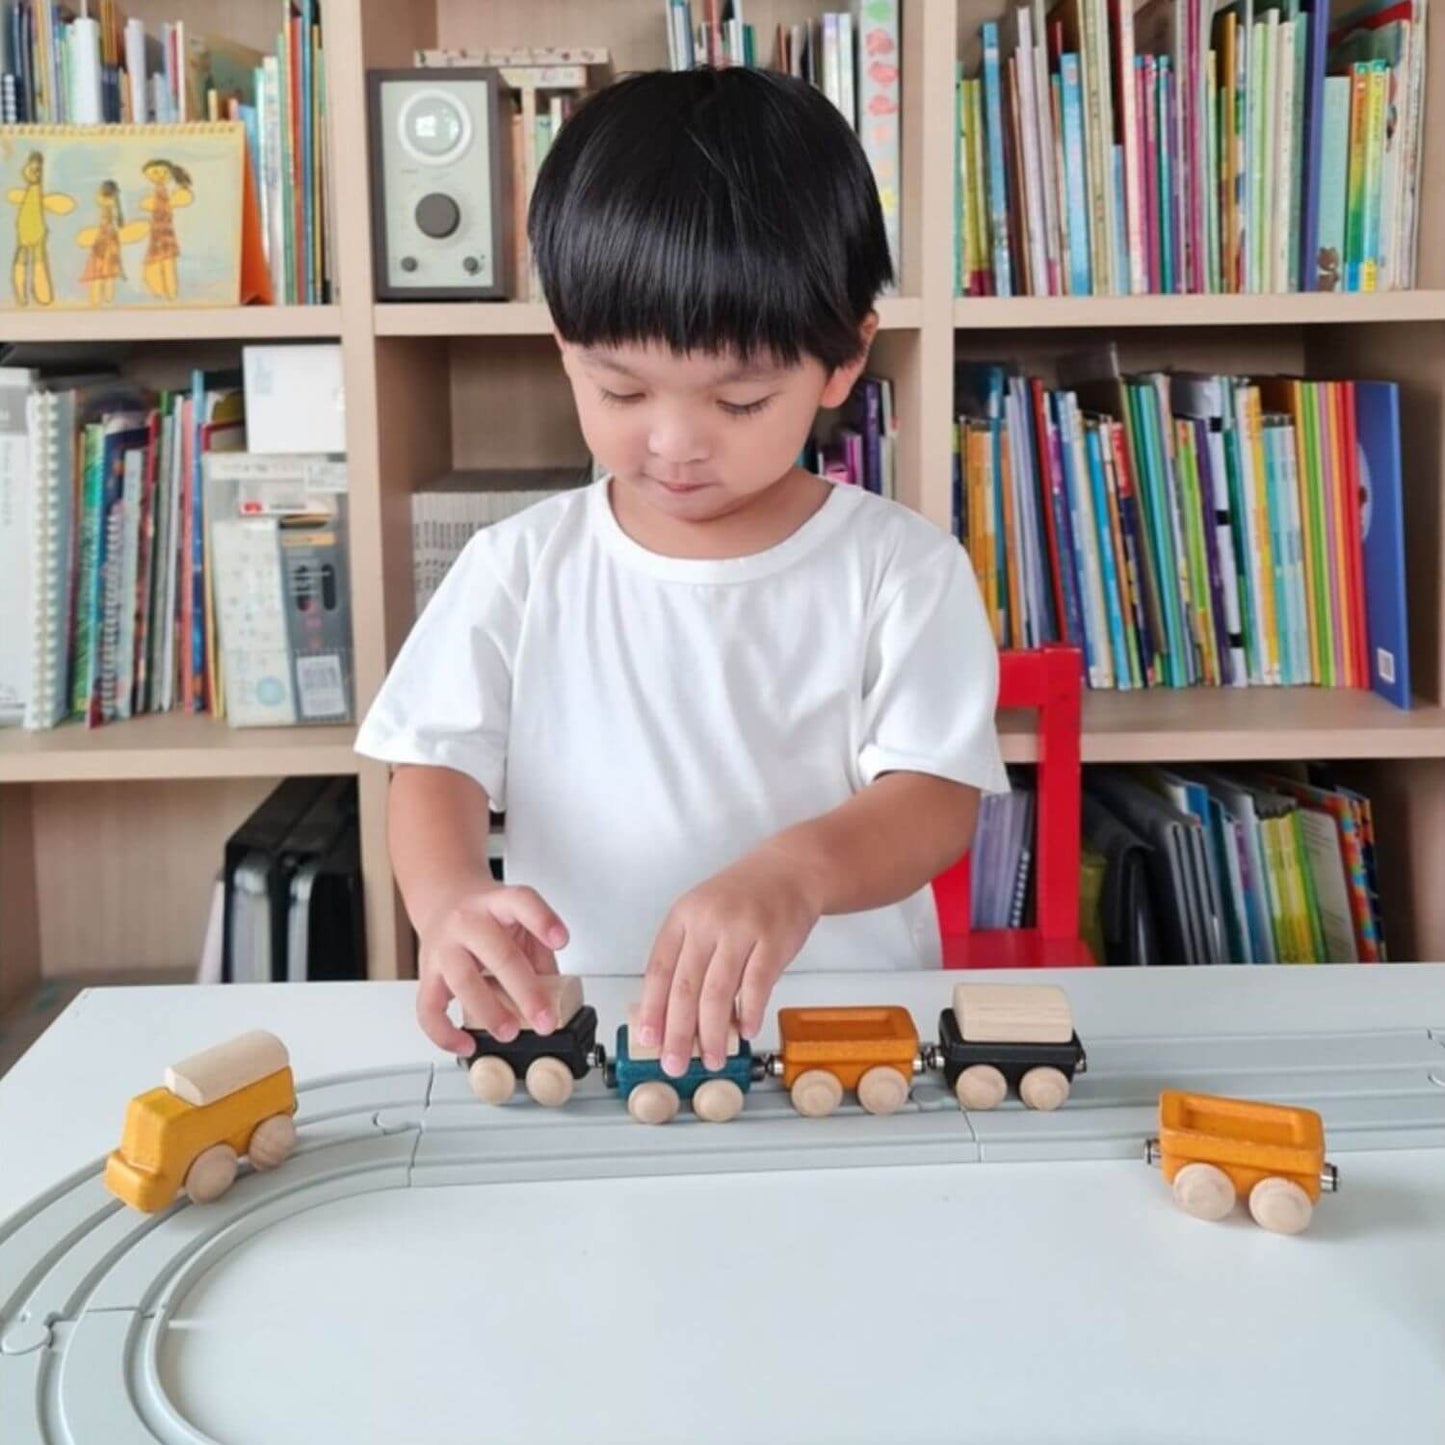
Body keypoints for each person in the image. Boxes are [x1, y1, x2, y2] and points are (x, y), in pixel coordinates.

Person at [355, 66, 1007, 1081]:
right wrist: (446, 901)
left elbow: (931, 797)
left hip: (835, 1039)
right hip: (585, 1032)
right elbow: (430, 763)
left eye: (738, 400)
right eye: (617, 387)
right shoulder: (519, 566)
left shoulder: (898, 568)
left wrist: (794, 869)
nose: (671, 443)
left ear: (841, 359)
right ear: (562, 344)